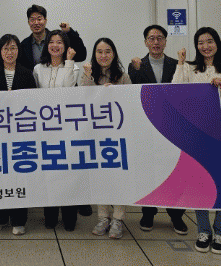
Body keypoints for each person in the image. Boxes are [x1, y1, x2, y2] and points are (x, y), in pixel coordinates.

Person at [172, 27, 221, 255]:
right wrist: (180, 63)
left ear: (217, 44)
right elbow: (176, 90)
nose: (205, 46)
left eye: (210, 41)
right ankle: (203, 231)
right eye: (201, 42)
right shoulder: (190, 69)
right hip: (197, 134)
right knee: (199, 185)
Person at [127, 25, 187, 235]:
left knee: (174, 173)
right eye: (151, 38)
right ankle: (148, 213)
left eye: (159, 38)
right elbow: (132, 93)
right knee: (148, 172)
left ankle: (176, 215)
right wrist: (135, 70)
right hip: (147, 127)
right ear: (145, 42)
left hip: (172, 128)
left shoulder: (177, 64)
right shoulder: (136, 65)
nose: (155, 42)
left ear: (165, 41)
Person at [0, 34, 36, 236]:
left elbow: (32, 101)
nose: (9, 52)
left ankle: (19, 219)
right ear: (0, 51)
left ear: (18, 51)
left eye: (13, 48)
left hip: (20, 132)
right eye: (5, 48)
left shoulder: (26, 73)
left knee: (19, 176)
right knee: (0, 175)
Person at [80, 38, 130, 239]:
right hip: (96, 134)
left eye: (107, 51)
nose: (103, 55)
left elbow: (130, 103)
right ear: (94, 54)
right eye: (99, 52)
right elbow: (81, 98)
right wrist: (88, 77)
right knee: (100, 176)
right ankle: (103, 217)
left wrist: (115, 93)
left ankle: (118, 218)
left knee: (119, 177)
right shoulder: (88, 74)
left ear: (114, 54)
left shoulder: (123, 76)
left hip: (118, 135)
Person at [33, 30, 81, 230]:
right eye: (51, 42)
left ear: (66, 46)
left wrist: (68, 62)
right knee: (49, 172)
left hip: (67, 127)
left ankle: (70, 216)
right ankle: (50, 215)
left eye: (59, 42)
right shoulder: (38, 69)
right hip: (45, 129)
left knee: (68, 172)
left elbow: (68, 90)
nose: (55, 45)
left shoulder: (73, 67)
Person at [19, 4, 87, 71]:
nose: (36, 23)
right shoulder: (24, 45)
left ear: (45, 21)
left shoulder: (58, 40)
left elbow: (81, 56)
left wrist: (69, 31)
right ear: (28, 22)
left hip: (61, 77)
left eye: (39, 19)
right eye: (32, 20)